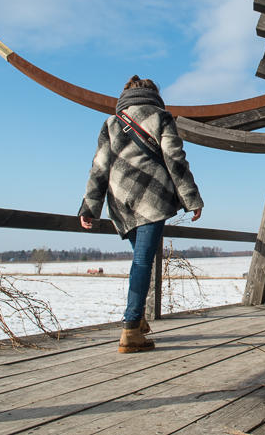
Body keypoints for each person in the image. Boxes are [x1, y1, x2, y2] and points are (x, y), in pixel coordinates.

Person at [78, 75, 203, 353]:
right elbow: (175, 159)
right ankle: (131, 329)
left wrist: (90, 207)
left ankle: (140, 320)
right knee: (143, 262)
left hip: (121, 203)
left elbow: (99, 168)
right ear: (153, 95)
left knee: (140, 259)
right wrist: (192, 198)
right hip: (152, 199)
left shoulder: (111, 123)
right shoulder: (161, 117)